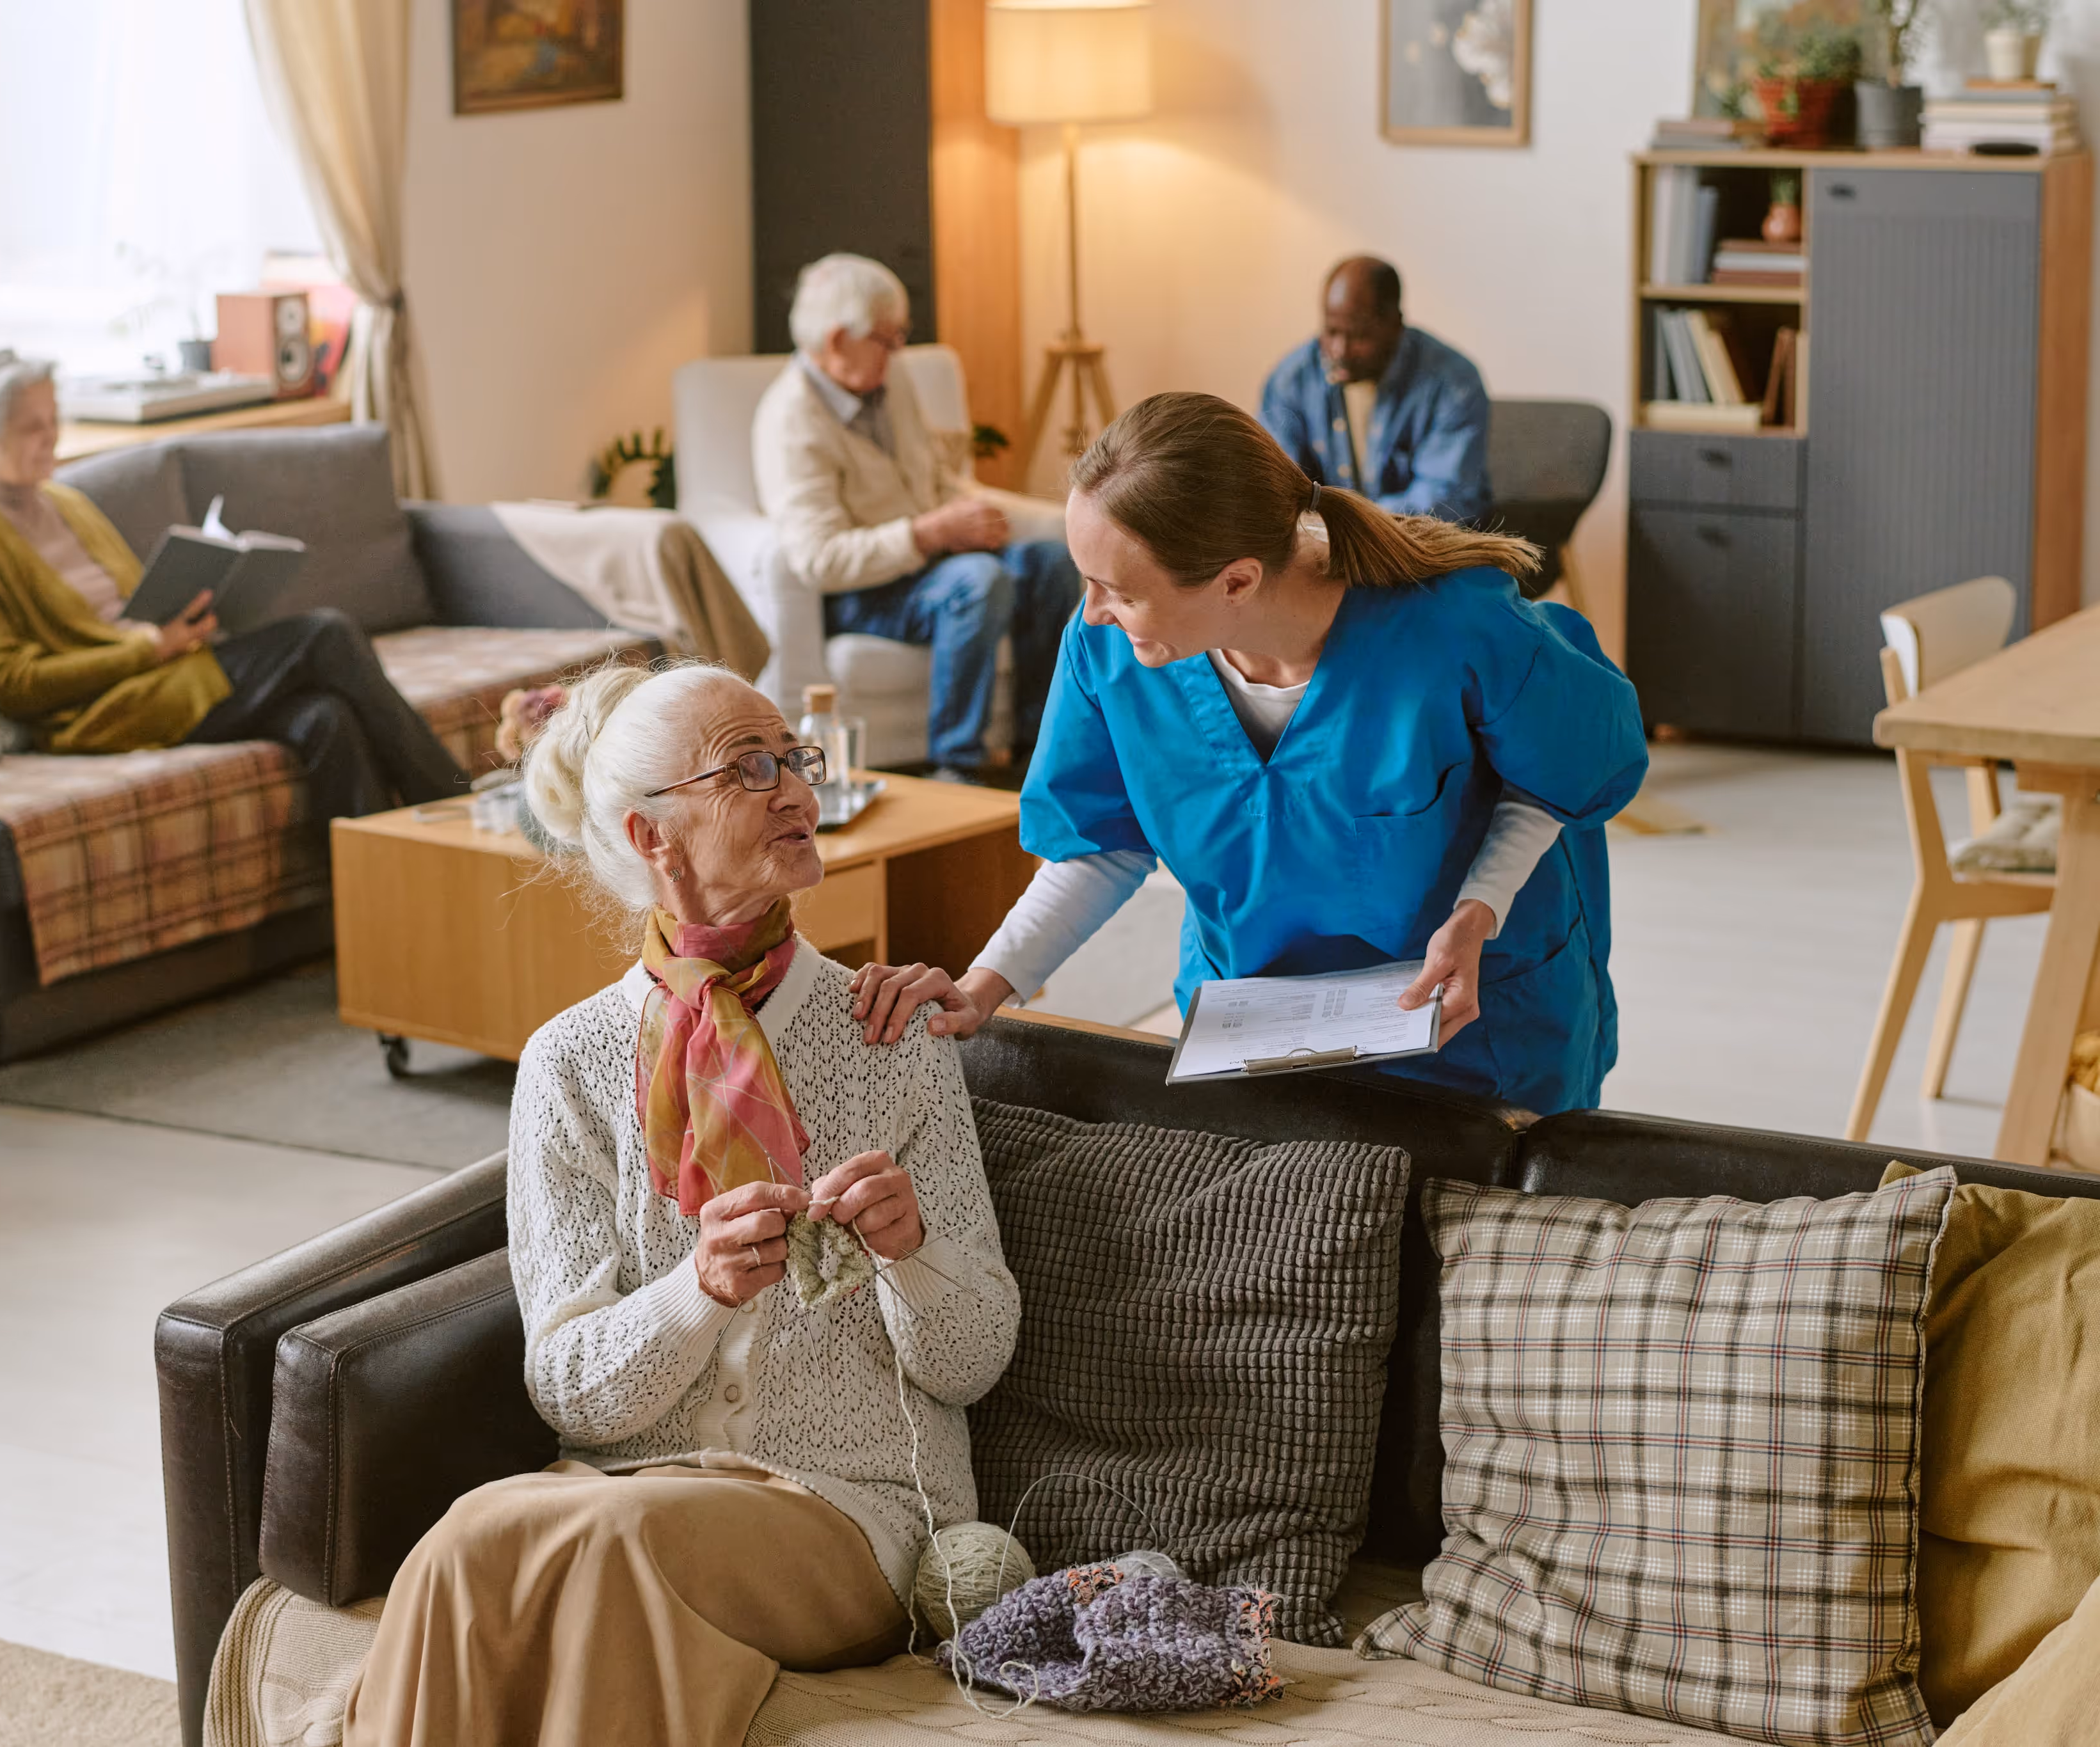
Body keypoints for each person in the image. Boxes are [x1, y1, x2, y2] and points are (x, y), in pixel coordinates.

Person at [340, 660, 1019, 1747]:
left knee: (611, 1539)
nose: (798, 789)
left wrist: (912, 1251)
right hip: (626, 1487)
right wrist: (694, 1293)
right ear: (651, 836)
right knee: (471, 1532)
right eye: (751, 769)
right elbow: (566, 1392)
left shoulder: (886, 1036)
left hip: (848, 1512)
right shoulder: (568, 1062)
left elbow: (973, 1358)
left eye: (794, 758)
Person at [849, 393, 1646, 1117]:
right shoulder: (1113, 652)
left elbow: (1561, 771)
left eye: (1119, 589)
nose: (1091, 613)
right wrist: (983, 986)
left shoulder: (1453, 627)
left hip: (1465, 1022)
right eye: (1084, 580)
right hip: (1253, 1027)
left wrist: (1477, 913)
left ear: (1235, 581)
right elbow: (1099, 843)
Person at [0, 349, 463, 821]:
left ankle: (375, 903)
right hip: (109, 708)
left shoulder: (63, 501)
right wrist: (148, 648)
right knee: (326, 635)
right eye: (32, 427)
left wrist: (192, 613)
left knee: (327, 719)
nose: (53, 437)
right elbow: (11, 681)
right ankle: (454, 802)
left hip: (168, 670)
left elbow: (133, 602)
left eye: (53, 418)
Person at [752, 253, 1081, 781]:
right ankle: (958, 765)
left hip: (929, 567)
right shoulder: (791, 421)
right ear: (838, 341)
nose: (897, 351)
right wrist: (930, 533)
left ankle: (1035, 752)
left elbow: (931, 481)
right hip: (860, 593)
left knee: (1050, 564)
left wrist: (967, 516)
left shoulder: (891, 382)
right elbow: (819, 560)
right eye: (886, 338)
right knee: (976, 581)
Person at [1259, 257, 1491, 526]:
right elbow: (1275, 485)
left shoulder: (1454, 383)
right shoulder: (1291, 379)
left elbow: (1443, 501)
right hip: (1324, 546)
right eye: (1331, 331)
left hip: (1429, 550)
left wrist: (1348, 528)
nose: (1340, 351)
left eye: (1359, 336)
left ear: (1396, 325)